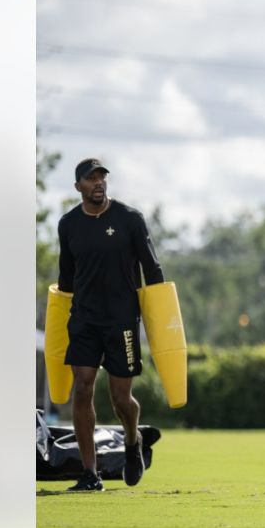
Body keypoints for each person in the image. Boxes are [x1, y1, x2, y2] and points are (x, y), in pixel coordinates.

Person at [57, 158, 164, 491]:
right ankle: (90, 474)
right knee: (83, 387)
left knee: (121, 399)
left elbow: (153, 270)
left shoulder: (130, 219)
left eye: (102, 177)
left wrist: (161, 321)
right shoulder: (68, 224)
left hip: (122, 320)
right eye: (91, 179)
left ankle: (132, 442)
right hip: (85, 318)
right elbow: (65, 281)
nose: (98, 182)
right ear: (79, 187)